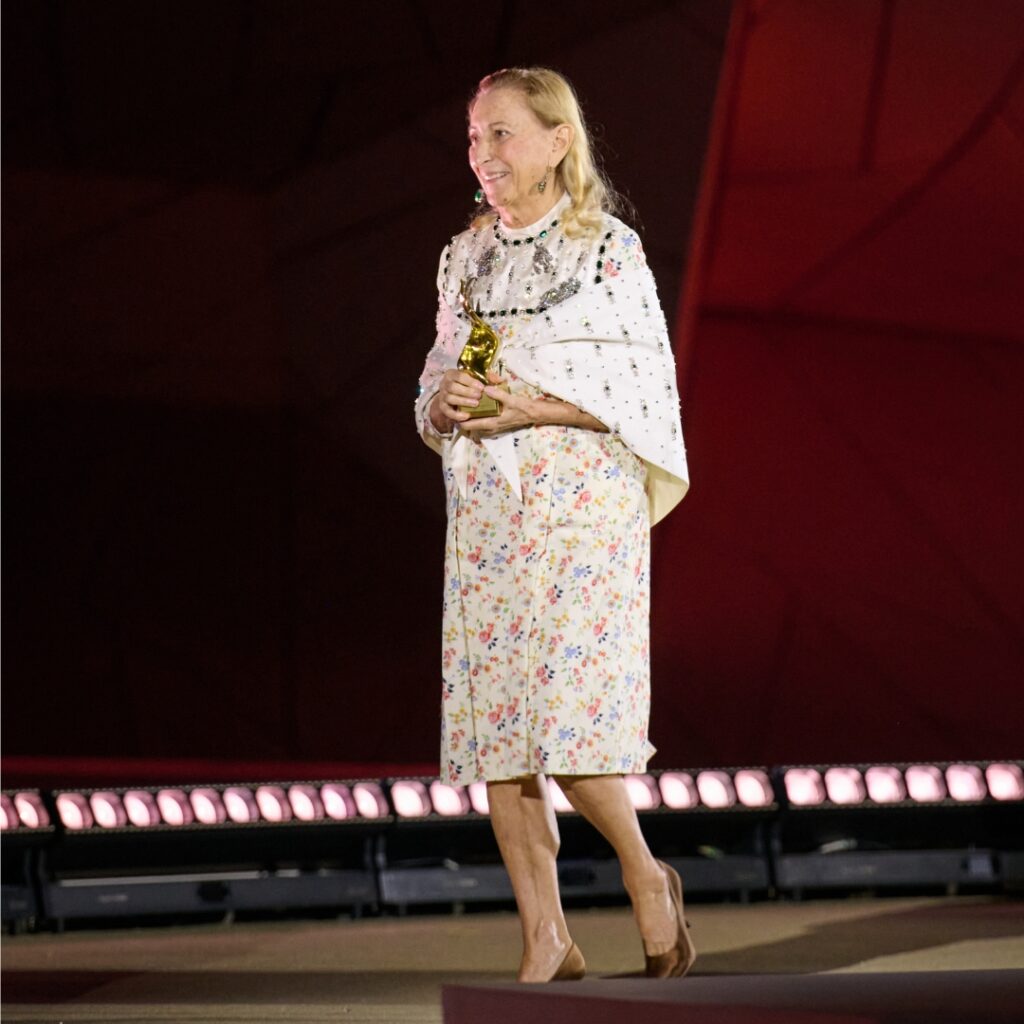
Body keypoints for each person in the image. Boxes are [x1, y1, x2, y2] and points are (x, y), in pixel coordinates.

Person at [414, 67, 694, 983]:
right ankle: (547, 935)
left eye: (500, 134)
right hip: (492, 510)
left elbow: (641, 392)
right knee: (501, 730)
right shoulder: (470, 259)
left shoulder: (606, 251)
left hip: (581, 508)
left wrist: (529, 407)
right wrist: (449, 398)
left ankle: (646, 875)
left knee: (572, 730)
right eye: (473, 136)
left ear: (556, 140)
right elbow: (452, 369)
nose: (481, 153)